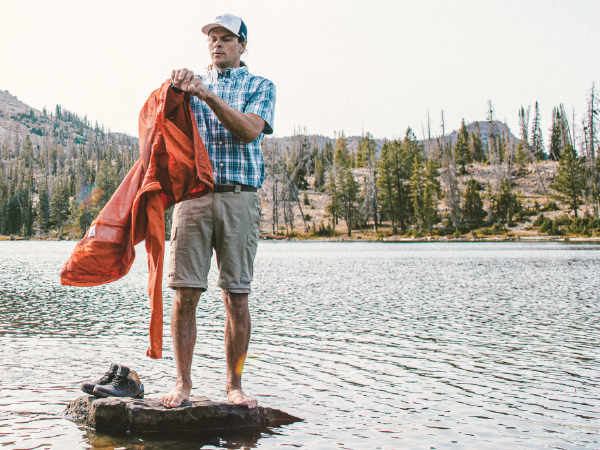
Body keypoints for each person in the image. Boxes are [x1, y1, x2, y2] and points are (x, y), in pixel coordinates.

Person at [159, 14, 276, 409]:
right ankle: (183, 384)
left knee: (236, 296)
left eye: (226, 38)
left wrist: (207, 95)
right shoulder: (190, 85)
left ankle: (234, 386)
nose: (217, 44)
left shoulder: (260, 86)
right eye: (212, 38)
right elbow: (162, 129)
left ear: (242, 46)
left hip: (239, 197)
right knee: (184, 293)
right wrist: (174, 91)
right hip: (192, 198)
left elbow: (247, 131)